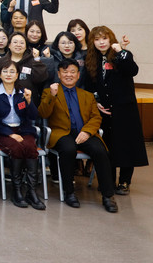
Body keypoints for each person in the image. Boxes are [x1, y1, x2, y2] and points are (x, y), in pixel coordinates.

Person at [38, 59, 118, 212]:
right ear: (59, 74)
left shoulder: (87, 95)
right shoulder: (49, 92)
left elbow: (96, 118)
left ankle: (108, 195)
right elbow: (43, 113)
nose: (69, 75)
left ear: (78, 75)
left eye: (72, 72)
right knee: (68, 149)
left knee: (100, 151)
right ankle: (69, 192)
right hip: (62, 133)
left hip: (84, 132)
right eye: (65, 72)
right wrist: (52, 96)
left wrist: (87, 132)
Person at [84, 26, 148, 195]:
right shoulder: (91, 59)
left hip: (124, 109)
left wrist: (120, 51)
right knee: (107, 145)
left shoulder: (122, 55)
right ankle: (108, 180)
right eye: (97, 39)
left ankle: (125, 181)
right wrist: (96, 102)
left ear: (110, 39)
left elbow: (132, 70)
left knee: (127, 144)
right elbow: (89, 85)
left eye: (104, 38)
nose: (101, 42)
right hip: (103, 109)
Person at [0, 60, 45, 210]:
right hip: (3, 131)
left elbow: (33, 115)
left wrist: (29, 101)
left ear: (17, 74)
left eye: (12, 71)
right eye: (5, 71)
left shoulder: (23, 92)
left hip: (23, 130)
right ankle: (17, 191)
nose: (8, 74)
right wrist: (10, 134)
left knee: (31, 148)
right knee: (17, 148)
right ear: (0, 74)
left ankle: (31, 192)